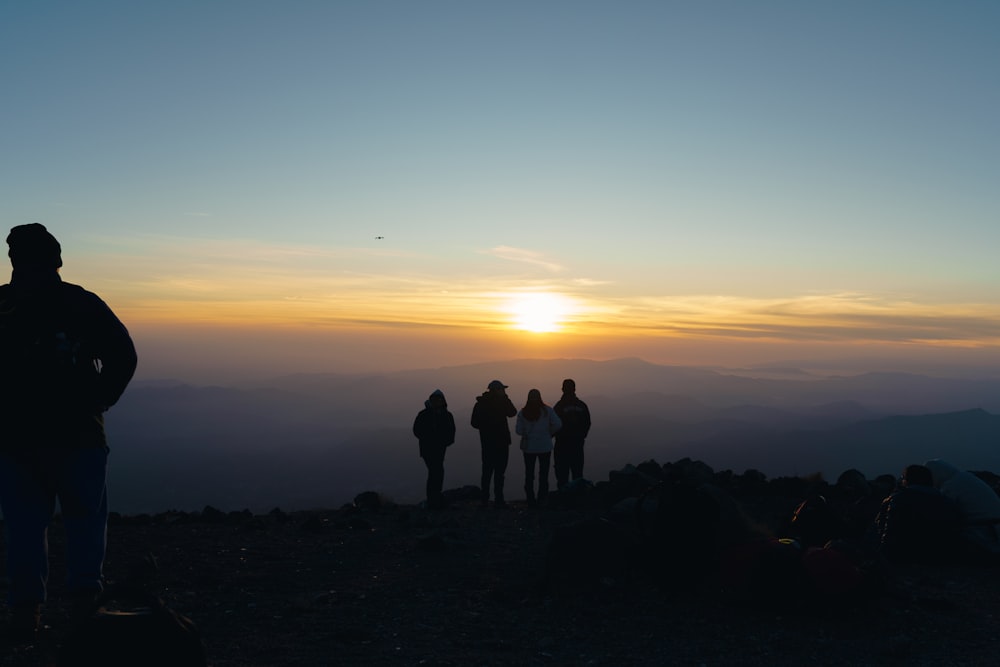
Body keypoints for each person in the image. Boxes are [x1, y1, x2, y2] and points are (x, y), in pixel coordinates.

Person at [0, 224, 138, 642]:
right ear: (57, 258)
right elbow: (123, 355)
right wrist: (99, 400)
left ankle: (27, 613)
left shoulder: (3, 305)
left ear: (13, 259)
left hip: (15, 439)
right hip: (79, 435)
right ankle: (85, 608)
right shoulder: (80, 303)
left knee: (24, 525)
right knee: (84, 521)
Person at [873, 464, 963, 564]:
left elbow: (885, 530)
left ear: (907, 480)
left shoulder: (897, 500)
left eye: (902, 478)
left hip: (904, 557)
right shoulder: (947, 501)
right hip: (942, 556)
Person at [925, 458, 1000, 561]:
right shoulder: (964, 478)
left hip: (983, 531)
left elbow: (944, 511)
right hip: (991, 528)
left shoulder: (951, 486)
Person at [471, 380, 517, 508]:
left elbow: (474, 423)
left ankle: (484, 499)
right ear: (497, 390)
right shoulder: (503, 402)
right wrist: (506, 399)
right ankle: (499, 499)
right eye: (502, 389)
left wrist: (485, 427)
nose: (504, 391)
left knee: (487, 471)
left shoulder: (480, 404)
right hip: (502, 442)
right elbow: (513, 412)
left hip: (487, 443)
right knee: (499, 472)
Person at [515, 388, 561, 508]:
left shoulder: (523, 413)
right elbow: (558, 424)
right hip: (545, 447)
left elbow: (518, 430)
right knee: (543, 474)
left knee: (529, 474)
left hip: (529, 448)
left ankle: (530, 500)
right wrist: (549, 433)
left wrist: (527, 433)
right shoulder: (547, 411)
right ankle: (542, 499)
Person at [412, 389, 455, 509]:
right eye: (435, 400)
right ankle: (434, 499)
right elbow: (417, 430)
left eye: (438, 399)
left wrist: (446, 442)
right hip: (429, 449)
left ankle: (435, 498)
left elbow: (451, 431)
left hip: (439, 449)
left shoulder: (445, 415)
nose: (437, 402)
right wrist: (428, 438)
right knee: (435, 472)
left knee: (437, 472)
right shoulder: (425, 415)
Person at [553, 378, 591, 489]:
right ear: (575, 389)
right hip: (577, 445)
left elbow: (553, 425)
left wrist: (558, 436)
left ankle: (563, 500)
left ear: (562, 389)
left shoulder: (559, 406)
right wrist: (581, 436)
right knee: (577, 474)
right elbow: (587, 423)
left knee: (562, 476)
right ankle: (577, 500)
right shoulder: (582, 405)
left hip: (562, 445)